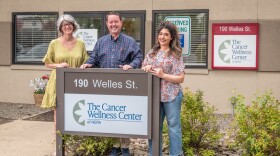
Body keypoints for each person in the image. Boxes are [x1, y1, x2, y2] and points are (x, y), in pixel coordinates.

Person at [80, 11, 142, 156]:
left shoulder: (130, 41)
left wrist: (131, 65)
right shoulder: (101, 42)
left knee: (123, 116)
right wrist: (88, 64)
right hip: (106, 86)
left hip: (124, 86)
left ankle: (125, 147)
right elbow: (93, 58)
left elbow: (139, 57)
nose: (113, 24)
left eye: (116, 22)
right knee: (110, 115)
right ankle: (114, 146)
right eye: (111, 22)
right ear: (107, 24)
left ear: (121, 23)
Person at [142, 21, 185, 156]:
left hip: (171, 95)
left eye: (166, 34)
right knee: (155, 127)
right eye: (160, 34)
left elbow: (180, 78)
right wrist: (146, 68)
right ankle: (154, 153)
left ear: (171, 37)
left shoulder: (175, 54)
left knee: (173, 127)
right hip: (154, 96)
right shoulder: (152, 53)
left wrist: (163, 75)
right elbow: (143, 68)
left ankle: (176, 154)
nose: (162, 37)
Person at [41, 14, 89, 132]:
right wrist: (58, 65)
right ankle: (58, 147)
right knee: (59, 113)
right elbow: (47, 63)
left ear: (73, 26)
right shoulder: (54, 43)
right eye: (64, 25)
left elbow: (86, 62)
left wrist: (85, 65)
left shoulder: (81, 43)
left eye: (69, 24)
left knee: (76, 111)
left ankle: (74, 144)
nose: (67, 26)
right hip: (59, 80)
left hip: (76, 81)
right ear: (61, 28)